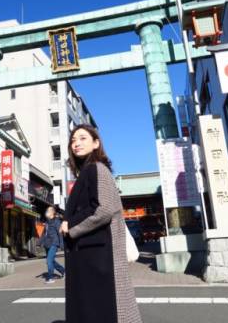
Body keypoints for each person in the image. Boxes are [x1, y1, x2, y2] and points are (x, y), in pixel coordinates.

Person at [60, 124, 142, 323]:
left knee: (104, 310)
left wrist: (71, 228)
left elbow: (103, 209)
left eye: (82, 138)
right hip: (92, 253)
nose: (76, 143)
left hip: (98, 256)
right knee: (94, 309)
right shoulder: (87, 172)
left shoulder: (96, 168)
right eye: (73, 140)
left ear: (96, 143)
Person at [38, 206, 65, 284]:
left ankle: (50, 278)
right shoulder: (47, 222)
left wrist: (61, 244)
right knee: (52, 261)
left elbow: (60, 233)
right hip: (47, 244)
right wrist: (39, 242)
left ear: (52, 212)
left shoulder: (56, 221)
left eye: (48, 210)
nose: (47, 211)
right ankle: (64, 271)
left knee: (49, 260)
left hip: (54, 243)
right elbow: (43, 234)